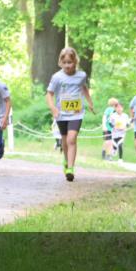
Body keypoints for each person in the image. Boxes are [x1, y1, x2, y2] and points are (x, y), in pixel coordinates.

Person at [45, 46, 94, 182]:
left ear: (75, 62)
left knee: (72, 139)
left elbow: (83, 88)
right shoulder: (57, 77)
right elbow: (49, 94)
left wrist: (90, 102)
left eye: (70, 62)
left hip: (76, 113)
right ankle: (66, 161)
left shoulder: (81, 75)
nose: (67, 65)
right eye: (65, 63)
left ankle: (71, 168)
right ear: (60, 62)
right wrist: (53, 108)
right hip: (61, 113)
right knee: (65, 140)